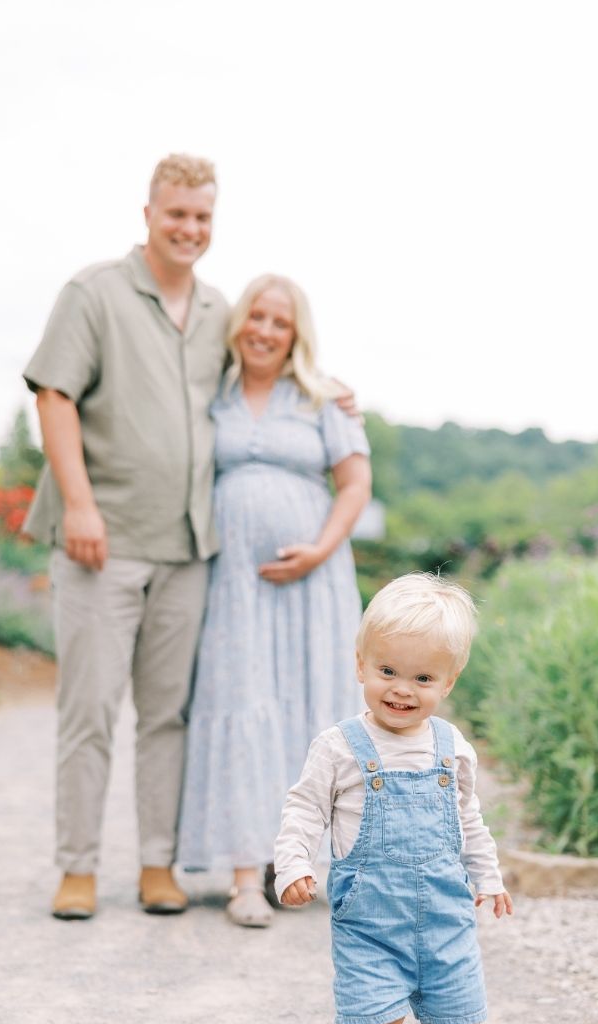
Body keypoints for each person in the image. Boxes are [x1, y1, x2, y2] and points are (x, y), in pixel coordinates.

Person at [24, 153, 228, 921]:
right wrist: (79, 506)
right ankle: (77, 867)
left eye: (203, 216)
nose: (190, 228)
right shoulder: (95, 292)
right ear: (149, 214)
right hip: (100, 543)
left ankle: (156, 865)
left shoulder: (219, 313)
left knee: (168, 716)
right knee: (91, 711)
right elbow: (54, 396)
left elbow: (268, 377)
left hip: (187, 548)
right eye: (177, 213)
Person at [274, 573, 514, 1024]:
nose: (402, 690)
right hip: (369, 920)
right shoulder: (339, 746)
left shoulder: (451, 747)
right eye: (388, 672)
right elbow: (304, 806)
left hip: (444, 912)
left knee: (462, 1008)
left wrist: (489, 875)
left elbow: (469, 820)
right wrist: (292, 863)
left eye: (423, 678)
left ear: (449, 681)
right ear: (361, 665)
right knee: (375, 1016)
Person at [175, 276, 372, 927]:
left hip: (313, 583)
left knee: (308, 710)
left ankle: (295, 865)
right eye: (254, 316)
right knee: (241, 698)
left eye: (279, 322)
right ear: (238, 325)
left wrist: (317, 548)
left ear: (296, 335)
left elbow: (354, 484)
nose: (264, 330)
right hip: (236, 584)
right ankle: (242, 878)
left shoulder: (324, 397)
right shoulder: (213, 393)